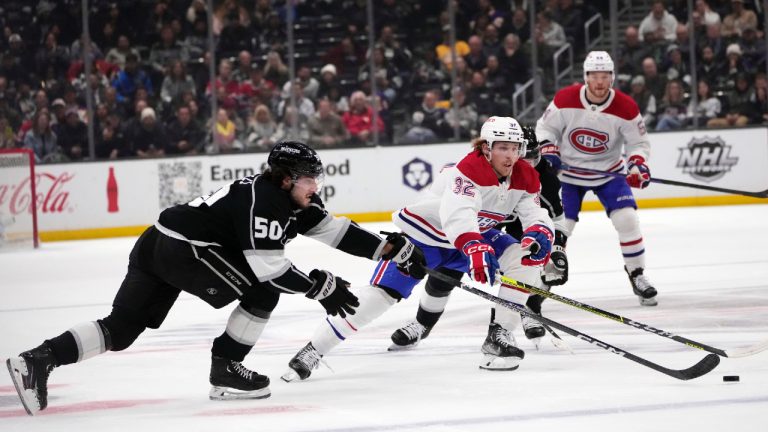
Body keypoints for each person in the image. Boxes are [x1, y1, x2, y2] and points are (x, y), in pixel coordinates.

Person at [5, 141, 425, 415]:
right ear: (286, 179)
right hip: (185, 251)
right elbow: (269, 269)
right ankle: (226, 369)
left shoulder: (287, 199)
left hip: (159, 241)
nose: (316, 186)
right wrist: (320, 289)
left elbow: (336, 231)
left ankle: (38, 359)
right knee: (263, 291)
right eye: (309, 178)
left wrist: (390, 250)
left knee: (123, 328)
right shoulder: (266, 202)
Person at [282, 116, 554, 382]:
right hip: (427, 236)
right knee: (380, 297)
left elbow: (533, 211)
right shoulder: (467, 171)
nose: (510, 156)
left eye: (515, 148)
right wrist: (474, 247)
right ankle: (314, 349)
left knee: (524, 259)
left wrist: (540, 231)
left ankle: (499, 335)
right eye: (503, 148)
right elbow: (458, 216)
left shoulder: (525, 174)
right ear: (486, 148)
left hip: (474, 236)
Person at [536, 51, 658, 307]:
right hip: (568, 175)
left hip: (609, 172)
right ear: (586, 77)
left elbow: (638, 143)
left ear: (612, 77)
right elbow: (545, 128)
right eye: (594, 76)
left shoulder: (626, 106)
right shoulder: (565, 98)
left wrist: (637, 164)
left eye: (604, 76)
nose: (600, 82)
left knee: (627, 219)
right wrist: (548, 148)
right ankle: (545, 278)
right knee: (561, 227)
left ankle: (637, 274)